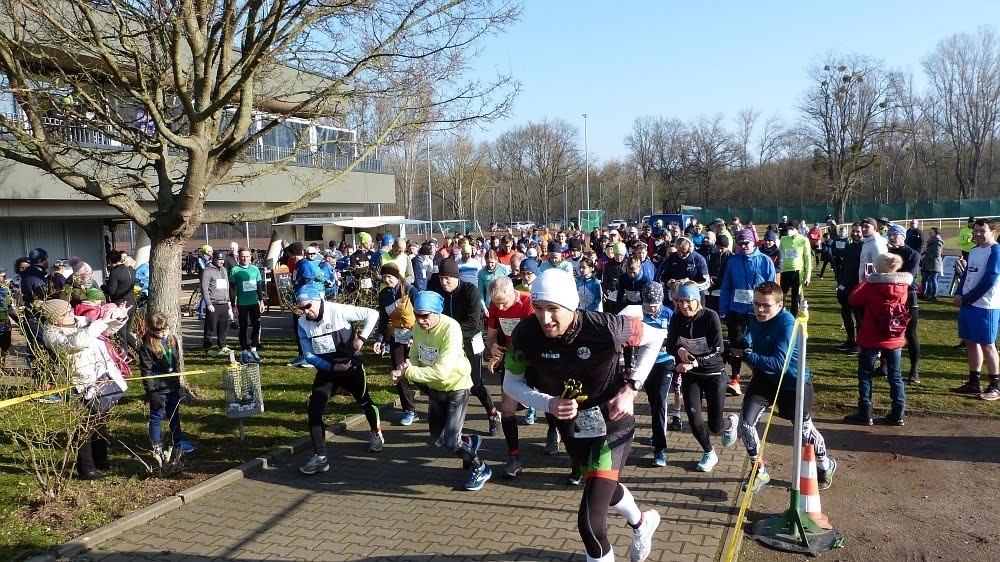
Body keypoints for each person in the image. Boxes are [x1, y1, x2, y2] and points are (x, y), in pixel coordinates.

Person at [502, 269, 665, 562]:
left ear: (572, 306)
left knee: (590, 524)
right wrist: (548, 403)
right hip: (572, 423)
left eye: (553, 310)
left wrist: (631, 387)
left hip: (613, 420)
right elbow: (511, 384)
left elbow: (656, 338)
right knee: (603, 487)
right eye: (538, 309)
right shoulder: (524, 333)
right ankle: (642, 522)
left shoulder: (607, 327)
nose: (545, 318)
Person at [729, 282, 836, 492]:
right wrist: (741, 344)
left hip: (793, 383)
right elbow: (752, 335)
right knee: (745, 423)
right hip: (765, 380)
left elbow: (780, 363)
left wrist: (748, 355)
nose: (759, 310)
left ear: (780, 305)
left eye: (766, 306)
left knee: (803, 431)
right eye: (756, 304)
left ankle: (825, 465)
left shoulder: (787, 324)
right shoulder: (757, 317)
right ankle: (759, 470)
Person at [391, 290, 492, 491]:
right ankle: (469, 441)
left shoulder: (451, 329)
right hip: (435, 388)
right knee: (437, 439)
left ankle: (480, 468)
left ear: (437, 312)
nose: (420, 320)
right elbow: (415, 354)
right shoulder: (419, 328)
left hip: (456, 385)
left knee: (451, 441)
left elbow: (443, 372)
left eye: (425, 316)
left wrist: (409, 373)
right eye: (417, 315)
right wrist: (405, 366)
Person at [295, 284, 383, 475]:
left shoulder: (338, 310)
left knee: (364, 402)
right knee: (314, 410)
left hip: (351, 366)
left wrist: (362, 338)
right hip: (327, 371)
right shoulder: (302, 322)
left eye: (308, 306)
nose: (306, 311)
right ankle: (320, 458)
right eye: (301, 308)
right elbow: (308, 355)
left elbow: (372, 314)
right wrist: (331, 367)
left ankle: (376, 432)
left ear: (318, 300)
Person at [40, 298, 130, 480]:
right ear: (55, 319)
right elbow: (78, 341)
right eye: (65, 314)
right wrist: (102, 321)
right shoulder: (52, 335)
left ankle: (101, 459)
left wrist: (118, 318)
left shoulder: (81, 321)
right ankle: (86, 469)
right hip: (82, 385)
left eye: (69, 310)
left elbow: (105, 331)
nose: (71, 314)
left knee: (101, 422)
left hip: (102, 376)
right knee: (85, 428)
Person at [665, 281, 738, 472]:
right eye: (680, 301)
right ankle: (709, 452)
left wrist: (695, 362)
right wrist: (680, 350)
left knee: (715, 426)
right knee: (694, 419)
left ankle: (730, 422)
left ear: (698, 301)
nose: (684, 305)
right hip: (692, 376)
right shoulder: (677, 318)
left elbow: (718, 349)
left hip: (714, 374)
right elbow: (670, 345)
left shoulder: (710, 317)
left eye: (688, 301)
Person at [432, 259, 500, 434]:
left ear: (456, 277)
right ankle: (450, 424)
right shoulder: (438, 291)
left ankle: (493, 414)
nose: (444, 282)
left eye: (448, 278)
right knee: (448, 382)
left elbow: (474, 322)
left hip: (471, 340)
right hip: (448, 343)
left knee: (475, 384)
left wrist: (451, 332)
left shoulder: (470, 290)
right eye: (441, 278)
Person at [845, 253, 911, 425]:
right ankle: (898, 412)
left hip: (872, 336)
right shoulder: (903, 287)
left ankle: (865, 411)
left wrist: (865, 281)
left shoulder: (871, 287)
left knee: (865, 374)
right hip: (894, 336)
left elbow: (853, 300)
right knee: (896, 375)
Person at [485, 276, 536, 477]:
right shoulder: (495, 304)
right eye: (496, 303)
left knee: (549, 402)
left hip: (534, 360)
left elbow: (536, 337)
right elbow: (490, 336)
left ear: (512, 292)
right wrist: (493, 348)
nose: (500, 307)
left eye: (503, 302)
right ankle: (513, 457)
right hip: (511, 360)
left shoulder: (528, 302)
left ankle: (552, 431)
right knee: (507, 408)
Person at [621, 282, 675, 467]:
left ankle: (660, 449)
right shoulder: (635, 314)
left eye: (656, 304)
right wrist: (628, 366)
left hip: (664, 363)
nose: (652, 308)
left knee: (660, 401)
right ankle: (655, 433)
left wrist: (668, 343)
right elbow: (627, 341)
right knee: (653, 402)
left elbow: (677, 337)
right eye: (649, 304)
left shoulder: (669, 314)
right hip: (644, 366)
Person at [719, 230, 776, 397]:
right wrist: (723, 309)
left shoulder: (765, 261)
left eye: (746, 243)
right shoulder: (733, 261)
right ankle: (735, 378)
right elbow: (726, 286)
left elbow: (771, 289)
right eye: (740, 243)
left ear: (754, 243)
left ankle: (757, 377)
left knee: (756, 345)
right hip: (735, 309)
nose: (743, 246)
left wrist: (770, 309)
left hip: (758, 311)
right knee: (736, 344)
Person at [952, 218, 1000, 400]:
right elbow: (966, 275)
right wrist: (958, 293)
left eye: (982, 231)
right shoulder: (974, 251)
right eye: (976, 231)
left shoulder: (995, 250)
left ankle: (994, 385)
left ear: (992, 232)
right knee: (970, 341)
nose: (978, 234)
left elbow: (990, 279)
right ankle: (974, 381)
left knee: (988, 344)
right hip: (968, 303)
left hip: (986, 305)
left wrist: (968, 298)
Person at [140, 313, 196, 459]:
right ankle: (157, 445)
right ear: (152, 331)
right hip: (158, 389)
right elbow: (146, 371)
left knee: (174, 414)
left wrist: (178, 380)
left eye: (165, 330)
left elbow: (176, 361)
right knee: (156, 417)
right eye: (159, 332)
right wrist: (151, 392)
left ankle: (178, 440)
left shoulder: (172, 339)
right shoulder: (147, 346)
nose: (163, 334)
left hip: (172, 385)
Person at [374, 263, 421, 426]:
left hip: (415, 337)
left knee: (420, 374)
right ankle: (409, 410)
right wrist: (380, 340)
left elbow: (422, 315)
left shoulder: (411, 291)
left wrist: (416, 335)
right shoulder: (384, 294)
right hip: (396, 337)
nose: (387, 280)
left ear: (398, 276)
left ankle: (439, 402)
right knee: (399, 372)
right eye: (384, 277)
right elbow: (384, 319)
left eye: (390, 277)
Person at [887, 225, 922, 384]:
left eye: (895, 234)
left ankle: (914, 369)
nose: (892, 237)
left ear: (903, 236)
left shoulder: (913, 254)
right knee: (889, 331)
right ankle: (886, 366)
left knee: (910, 333)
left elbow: (909, 277)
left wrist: (891, 276)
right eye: (890, 235)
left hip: (909, 297)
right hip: (890, 297)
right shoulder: (887, 254)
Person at [229, 247, 265, 364]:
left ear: (251, 257)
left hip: (254, 303)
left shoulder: (255, 269)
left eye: (247, 256)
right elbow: (232, 289)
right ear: (239, 257)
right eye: (243, 256)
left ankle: (253, 349)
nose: (245, 258)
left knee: (256, 326)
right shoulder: (235, 270)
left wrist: (261, 301)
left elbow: (259, 286)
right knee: (243, 328)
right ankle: (244, 351)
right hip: (242, 304)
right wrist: (233, 305)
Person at [835, 223, 865, 354]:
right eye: (853, 231)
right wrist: (840, 283)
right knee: (845, 313)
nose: (855, 233)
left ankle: (860, 343)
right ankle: (850, 340)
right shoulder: (849, 247)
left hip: (859, 287)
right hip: (845, 287)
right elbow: (844, 267)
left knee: (859, 317)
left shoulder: (865, 248)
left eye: (858, 231)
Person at [778, 220, 811, 318]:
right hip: (785, 271)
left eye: (791, 229)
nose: (789, 231)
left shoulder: (803, 240)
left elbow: (807, 259)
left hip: (797, 271)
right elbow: (780, 255)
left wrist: (808, 276)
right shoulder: (783, 240)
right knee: (782, 296)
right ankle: (781, 316)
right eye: (788, 229)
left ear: (797, 229)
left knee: (795, 297)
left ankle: (793, 318)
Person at [201, 250, 232, 354]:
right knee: (210, 327)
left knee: (224, 326)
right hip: (213, 303)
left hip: (224, 303)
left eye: (223, 259)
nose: (221, 262)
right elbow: (204, 288)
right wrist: (208, 303)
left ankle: (222, 345)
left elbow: (226, 285)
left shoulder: (223, 270)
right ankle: (207, 347)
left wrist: (228, 300)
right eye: (219, 260)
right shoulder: (207, 271)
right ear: (214, 259)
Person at [921, 227, 945, 302]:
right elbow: (929, 250)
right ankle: (925, 294)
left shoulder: (938, 242)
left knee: (933, 279)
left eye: (931, 232)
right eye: (929, 232)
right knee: (925, 278)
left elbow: (937, 253)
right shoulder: (932, 240)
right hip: (929, 263)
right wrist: (923, 253)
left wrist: (927, 256)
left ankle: (933, 296)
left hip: (934, 264)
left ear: (936, 233)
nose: (929, 234)